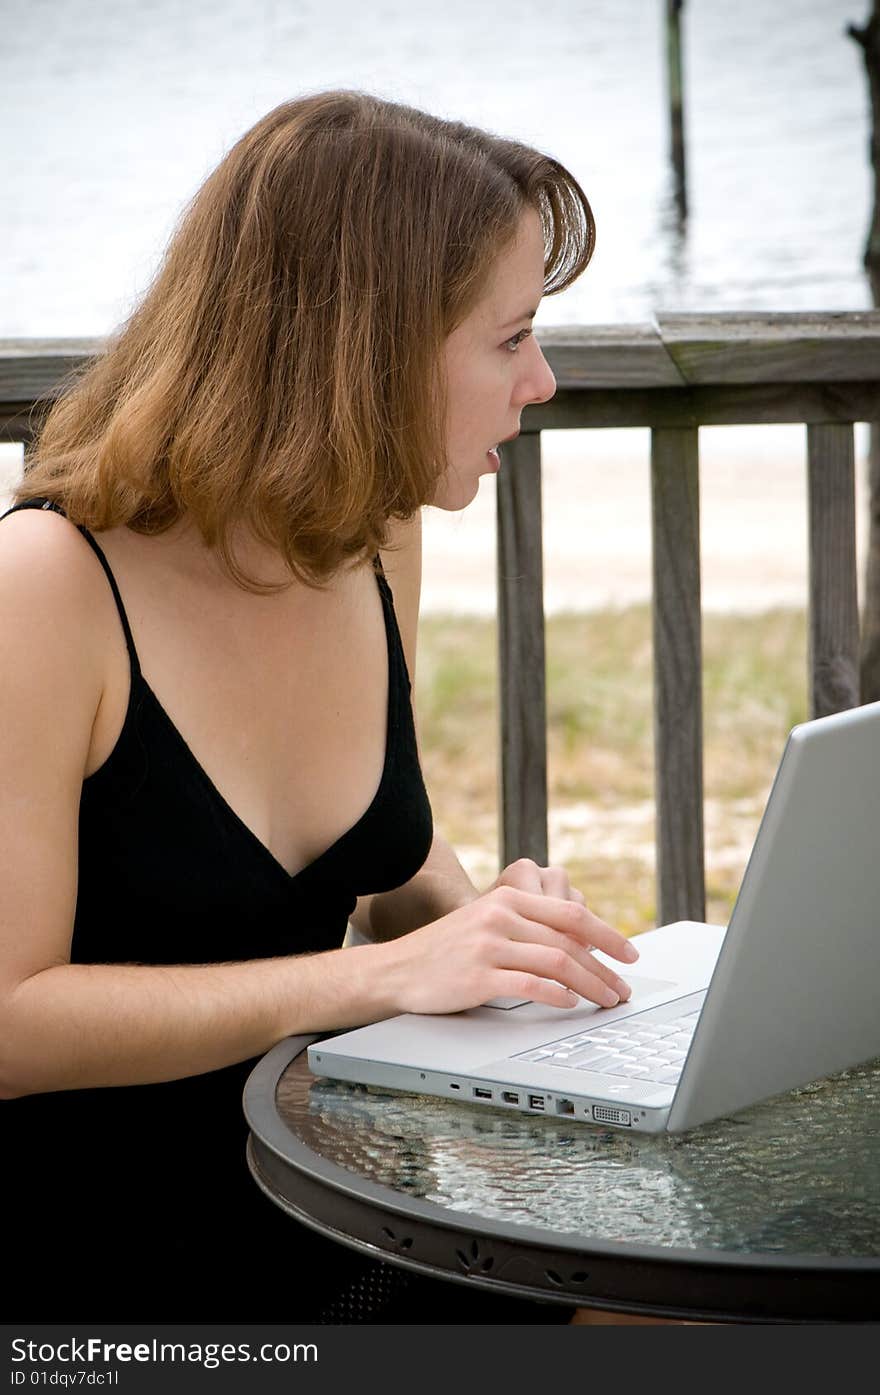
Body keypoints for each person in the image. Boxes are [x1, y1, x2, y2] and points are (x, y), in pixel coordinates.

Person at [1, 89, 641, 1324]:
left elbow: (379, 851)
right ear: (372, 351)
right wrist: (385, 976)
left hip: (335, 1203)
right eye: (509, 340)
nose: (545, 382)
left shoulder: (373, 533)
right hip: (100, 1292)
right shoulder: (46, 587)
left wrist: (494, 934)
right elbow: (13, 1025)